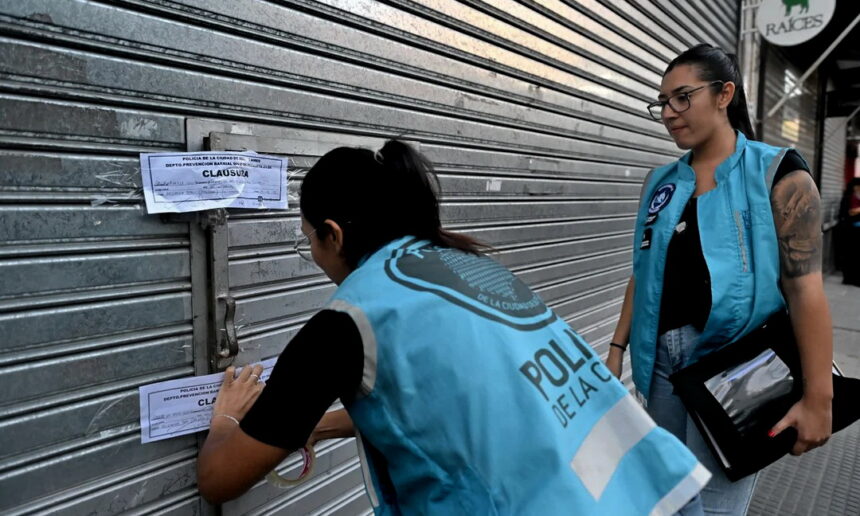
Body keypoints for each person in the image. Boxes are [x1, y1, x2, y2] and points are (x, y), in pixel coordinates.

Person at [197, 140, 712, 514]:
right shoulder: (466, 270)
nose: (311, 252)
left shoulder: (345, 324)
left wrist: (225, 421)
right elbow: (449, 401)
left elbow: (219, 481)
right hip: (634, 494)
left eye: (307, 239)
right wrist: (317, 424)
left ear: (331, 234)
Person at [605, 44, 834, 515]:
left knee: (713, 509)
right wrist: (616, 350)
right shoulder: (660, 183)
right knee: (669, 500)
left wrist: (819, 397)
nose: (669, 113)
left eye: (682, 97)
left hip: (739, 368)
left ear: (724, 93)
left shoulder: (778, 172)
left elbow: (805, 289)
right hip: (663, 368)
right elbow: (645, 271)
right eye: (662, 102)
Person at [837, 178, 860, 286]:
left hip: (856, 231)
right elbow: (848, 213)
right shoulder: (848, 198)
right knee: (849, 255)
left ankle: (854, 278)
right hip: (849, 232)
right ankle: (848, 278)